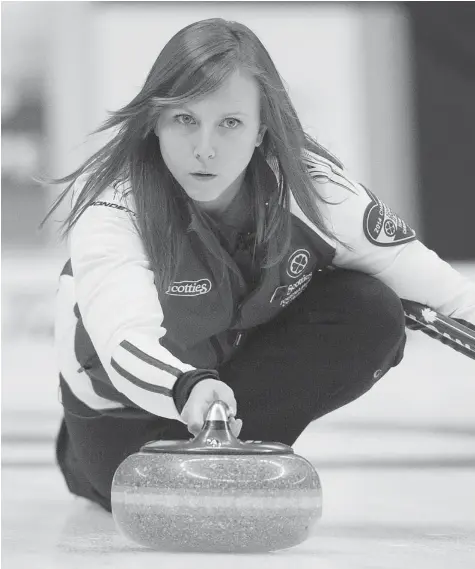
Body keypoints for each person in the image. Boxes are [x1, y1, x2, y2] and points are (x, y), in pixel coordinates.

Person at [43, 18, 475, 513]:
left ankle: (225, 461)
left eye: (229, 123)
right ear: (154, 121)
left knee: (370, 309)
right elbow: (125, 342)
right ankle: (86, 462)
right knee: (156, 497)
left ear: (259, 132)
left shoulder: (317, 195)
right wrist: (187, 388)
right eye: (184, 119)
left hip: (229, 390)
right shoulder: (113, 207)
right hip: (127, 412)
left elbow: (451, 297)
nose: (205, 147)